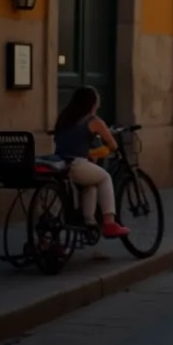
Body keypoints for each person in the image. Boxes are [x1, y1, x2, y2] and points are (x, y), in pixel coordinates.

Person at [53, 87, 130, 238]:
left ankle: (89, 221)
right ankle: (109, 223)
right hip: (76, 164)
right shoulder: (93, 121)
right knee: (105, 177)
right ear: (91, 104)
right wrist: (105, 148)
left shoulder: (64, 117)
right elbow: (112, 145)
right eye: (97, 103)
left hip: (59, 164)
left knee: (91, 182)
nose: (98, 106)